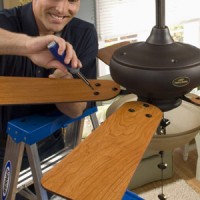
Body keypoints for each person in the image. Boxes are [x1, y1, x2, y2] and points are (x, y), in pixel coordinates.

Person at [0, 0, 98, 199]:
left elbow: (76, 110)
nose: (61, 10)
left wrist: (64, 87)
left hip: (50, 146)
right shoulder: (6, 22)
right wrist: (27, 46)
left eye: (71, 0)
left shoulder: (84, 34)